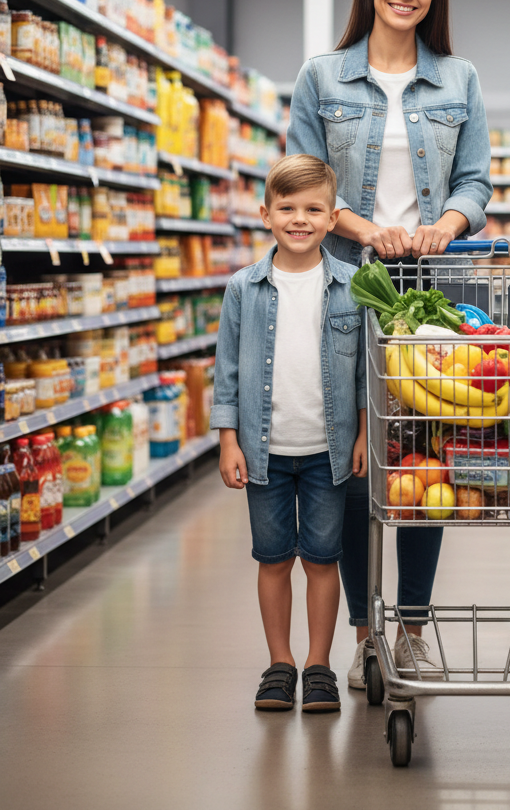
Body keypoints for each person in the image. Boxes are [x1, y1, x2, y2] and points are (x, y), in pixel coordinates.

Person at [287, 0, 492, 688]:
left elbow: (477, 183)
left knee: (424, 460)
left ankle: (412, 627)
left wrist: (445, 225)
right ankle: (364, 631)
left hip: (429, 292)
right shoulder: (323, 78)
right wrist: (368, 230)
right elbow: (305, 184)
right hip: (345, 278)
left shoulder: (459, 78)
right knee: (352, 463)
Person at [211, 154, 367, 713]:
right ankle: (279, 663)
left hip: (328, 452)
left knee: (324, 558)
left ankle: (319, 664)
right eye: (287, 208)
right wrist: (228, 438)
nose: (299, 219)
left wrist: (365, 433)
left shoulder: (353, 287)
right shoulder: (243, 289)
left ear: (332, 219)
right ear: (265, 214)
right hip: (263, 453)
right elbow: (226, 369)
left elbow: (364, 373)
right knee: (273, 557)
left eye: (313, 209)